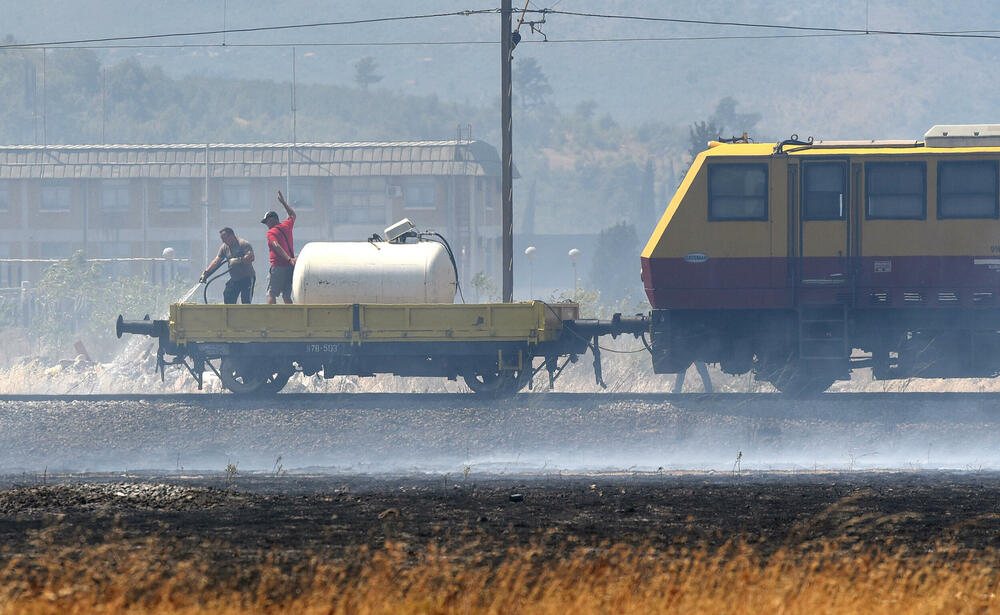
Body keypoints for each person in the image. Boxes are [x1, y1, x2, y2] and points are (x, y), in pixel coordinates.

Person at [200, 227, 255, 304]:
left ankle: (245, 315)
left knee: (246, 301)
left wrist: (238, 260)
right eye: (222, 239)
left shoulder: (243, 244)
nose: (223, 241)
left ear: (232, 235)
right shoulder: (224, 247)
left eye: (224, 238)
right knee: (228, 295)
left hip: (247, 277)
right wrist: (206, 273)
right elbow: (216, 261)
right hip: (235, 278)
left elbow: (251, 257)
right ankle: (230, 315)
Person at [261, 190, 296, 304]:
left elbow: (276, 246)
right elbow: (293, 215)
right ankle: (291, 317)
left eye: (266, 222)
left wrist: (288, 259)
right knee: (286, 295)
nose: (266, 224)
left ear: (271, 220)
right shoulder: (286, 226)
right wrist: (283, 203)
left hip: (278, 266)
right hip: (290, 266)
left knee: (271, 293)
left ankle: (271, 318)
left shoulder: (271, 232)